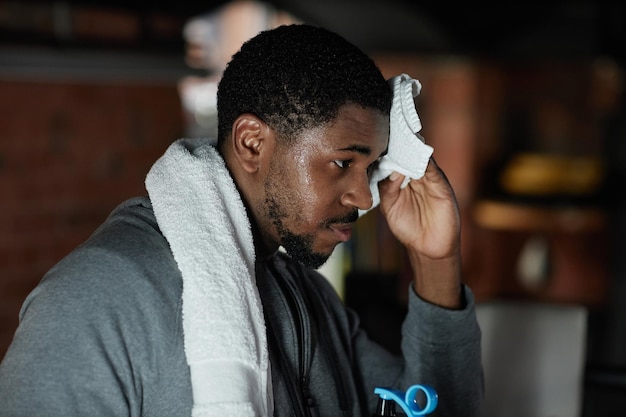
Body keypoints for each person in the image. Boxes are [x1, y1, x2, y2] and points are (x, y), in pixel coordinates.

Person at [0, 24, 483, 416]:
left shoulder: (306, 293)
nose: (363, 195)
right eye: (342, 162)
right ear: (252, 143)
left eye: (372, 167)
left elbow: (433, 407)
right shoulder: (92, 302)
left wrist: (434, 257)